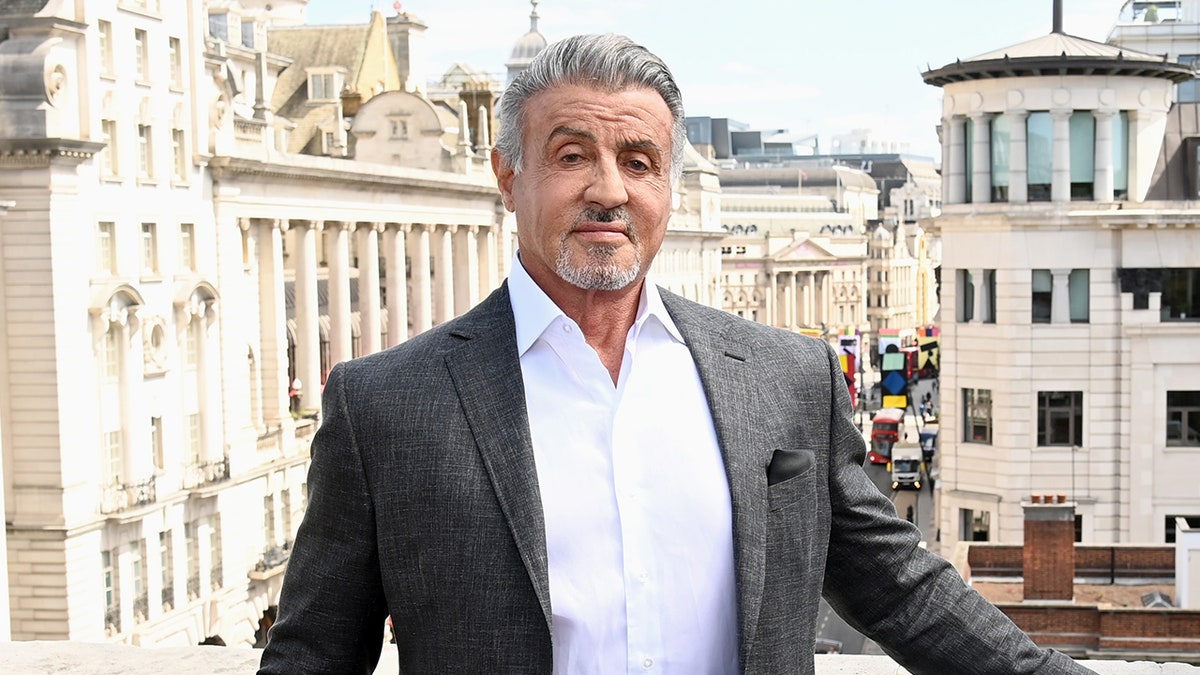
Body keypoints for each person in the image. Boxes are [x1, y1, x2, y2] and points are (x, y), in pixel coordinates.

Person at [258, 34, 1095, 674]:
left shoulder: (782, 377)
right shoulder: (387, 405)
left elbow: (897, 585)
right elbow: (312, 655)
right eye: (572, 154)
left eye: (638, 161)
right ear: (507, 175)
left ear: (667, 187)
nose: (610, 190)